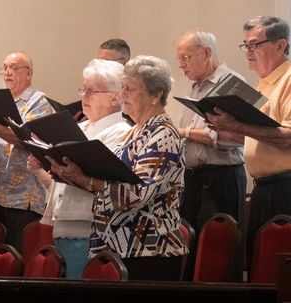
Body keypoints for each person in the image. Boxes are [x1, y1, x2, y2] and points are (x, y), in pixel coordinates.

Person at [58, 56, 187, 280]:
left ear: (156, 95)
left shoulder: (163, 134)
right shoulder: (133, 132)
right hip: (119, 246)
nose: (123, 94)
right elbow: (111, 182)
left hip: (149, 248)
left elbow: (138, 194)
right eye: (123, 87)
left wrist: (85, 180)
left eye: (131, 88)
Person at [206, 16, 291, 270]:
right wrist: (228, 130)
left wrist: (237, 126)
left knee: (279, 271)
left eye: (255, 44)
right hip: (264, 189)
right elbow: (260, 138)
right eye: (245, 45)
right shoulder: (262, 84)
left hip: (285, 188)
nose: (248, 52)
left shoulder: (288, 79)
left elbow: (288, 136)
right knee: (259, 266)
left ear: (280, 45)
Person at [41, 59, 132, 278]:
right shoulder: (78, 128)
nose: (84, 95)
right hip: (63, 221)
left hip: (89, 226)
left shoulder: (121, 131)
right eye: (83, 89)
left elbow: (103, 178)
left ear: (115, 96)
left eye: (91, 90)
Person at [174, 30, 246, 279]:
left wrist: (184, 131)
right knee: (191, 247)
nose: (181, 65)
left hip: (221, 176)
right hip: (193, 179)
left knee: (218, 246)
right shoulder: (193, 89)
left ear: (206, 53)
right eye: (179, 59)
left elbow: (228, 138)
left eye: (185, 57)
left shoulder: (234, 83)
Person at [0, 51, 54, 252]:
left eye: (14, 68)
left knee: (17, 258)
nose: (7, 72)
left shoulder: (39, 102)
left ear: (29, 73)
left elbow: (29, 140)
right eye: (5, 67)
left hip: (22, 199)